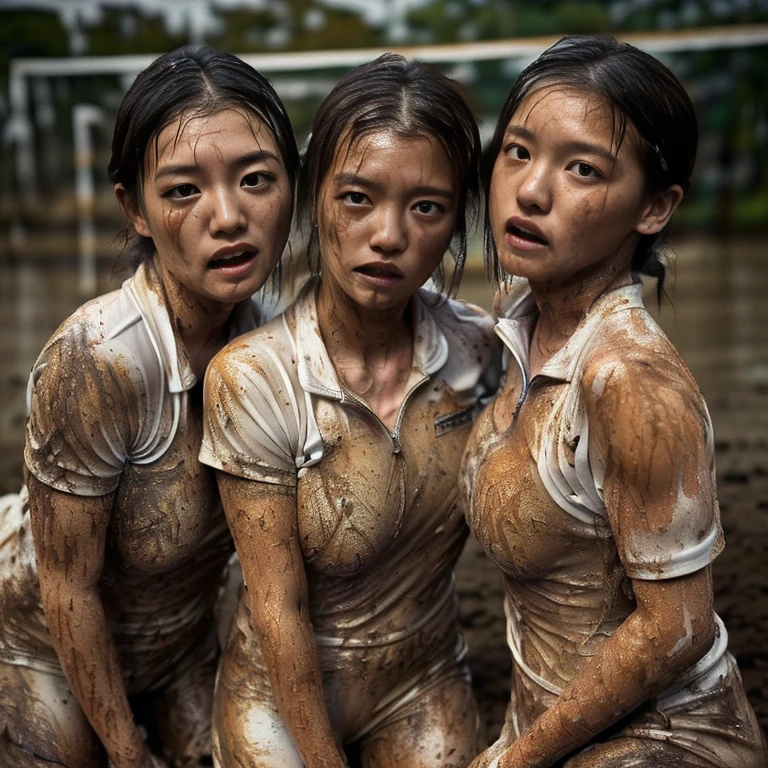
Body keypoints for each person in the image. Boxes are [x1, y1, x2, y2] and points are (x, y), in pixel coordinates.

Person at [460, 35, 768, 768]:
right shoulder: (516, 313)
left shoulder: (633, 383)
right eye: (517, 151)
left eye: (582, 169)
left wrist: (512, 763)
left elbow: (677, 626)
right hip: (549, 720)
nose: (532, 190)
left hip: (665, 741)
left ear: (655, 207)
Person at [0, 45, 299, 768]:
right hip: (36, 642)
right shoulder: (97, 358)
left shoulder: (282, 339)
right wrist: (128, 756)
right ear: (134, 208)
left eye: (256, 180)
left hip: (179, 650)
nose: (229, 217)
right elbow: (67, 587)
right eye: (183, 191)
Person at [200, 53, 500, 768]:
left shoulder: (479, 352)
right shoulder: (254, 376)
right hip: (279, 691)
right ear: (314, 201)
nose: (389, 236)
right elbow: (278, 608)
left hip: (421, 678)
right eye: (357, 198)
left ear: (456, 218)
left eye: (425, 207)